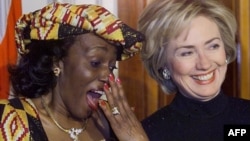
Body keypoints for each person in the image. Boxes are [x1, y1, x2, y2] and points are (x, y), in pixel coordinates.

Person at [0, 2, 149, 141]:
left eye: (112, 67)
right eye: (95, 63)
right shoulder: (8, 120)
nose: (108, 76)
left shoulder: (114, 122)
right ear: (56, 61)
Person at [138, 0, 250, 140]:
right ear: (163, 65)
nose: (204, 64)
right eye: (187, 53)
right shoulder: (148, 134)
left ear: (225, 50)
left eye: (213, 46)